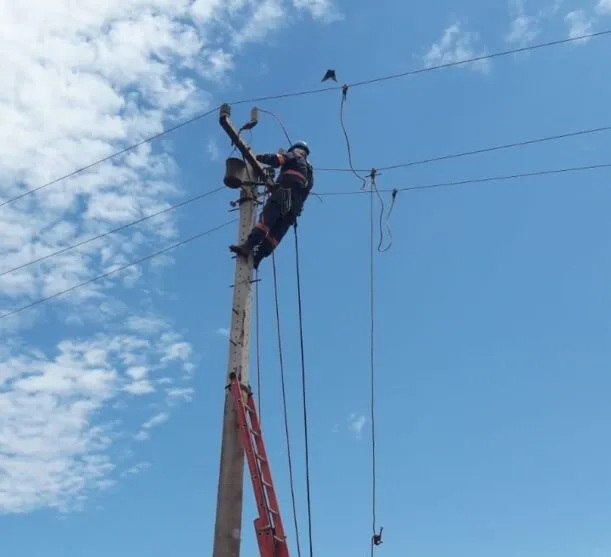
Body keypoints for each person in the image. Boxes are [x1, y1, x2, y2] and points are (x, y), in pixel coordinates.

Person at [229, 140, 314, 269]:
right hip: (294, 209)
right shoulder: (310, 172)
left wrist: (256, 157)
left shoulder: (294, 155)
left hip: (282, 196)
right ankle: (258, 258)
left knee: (265, 223)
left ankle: (247, 247)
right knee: (275, 235)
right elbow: (306, 191)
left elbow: (277, 160)